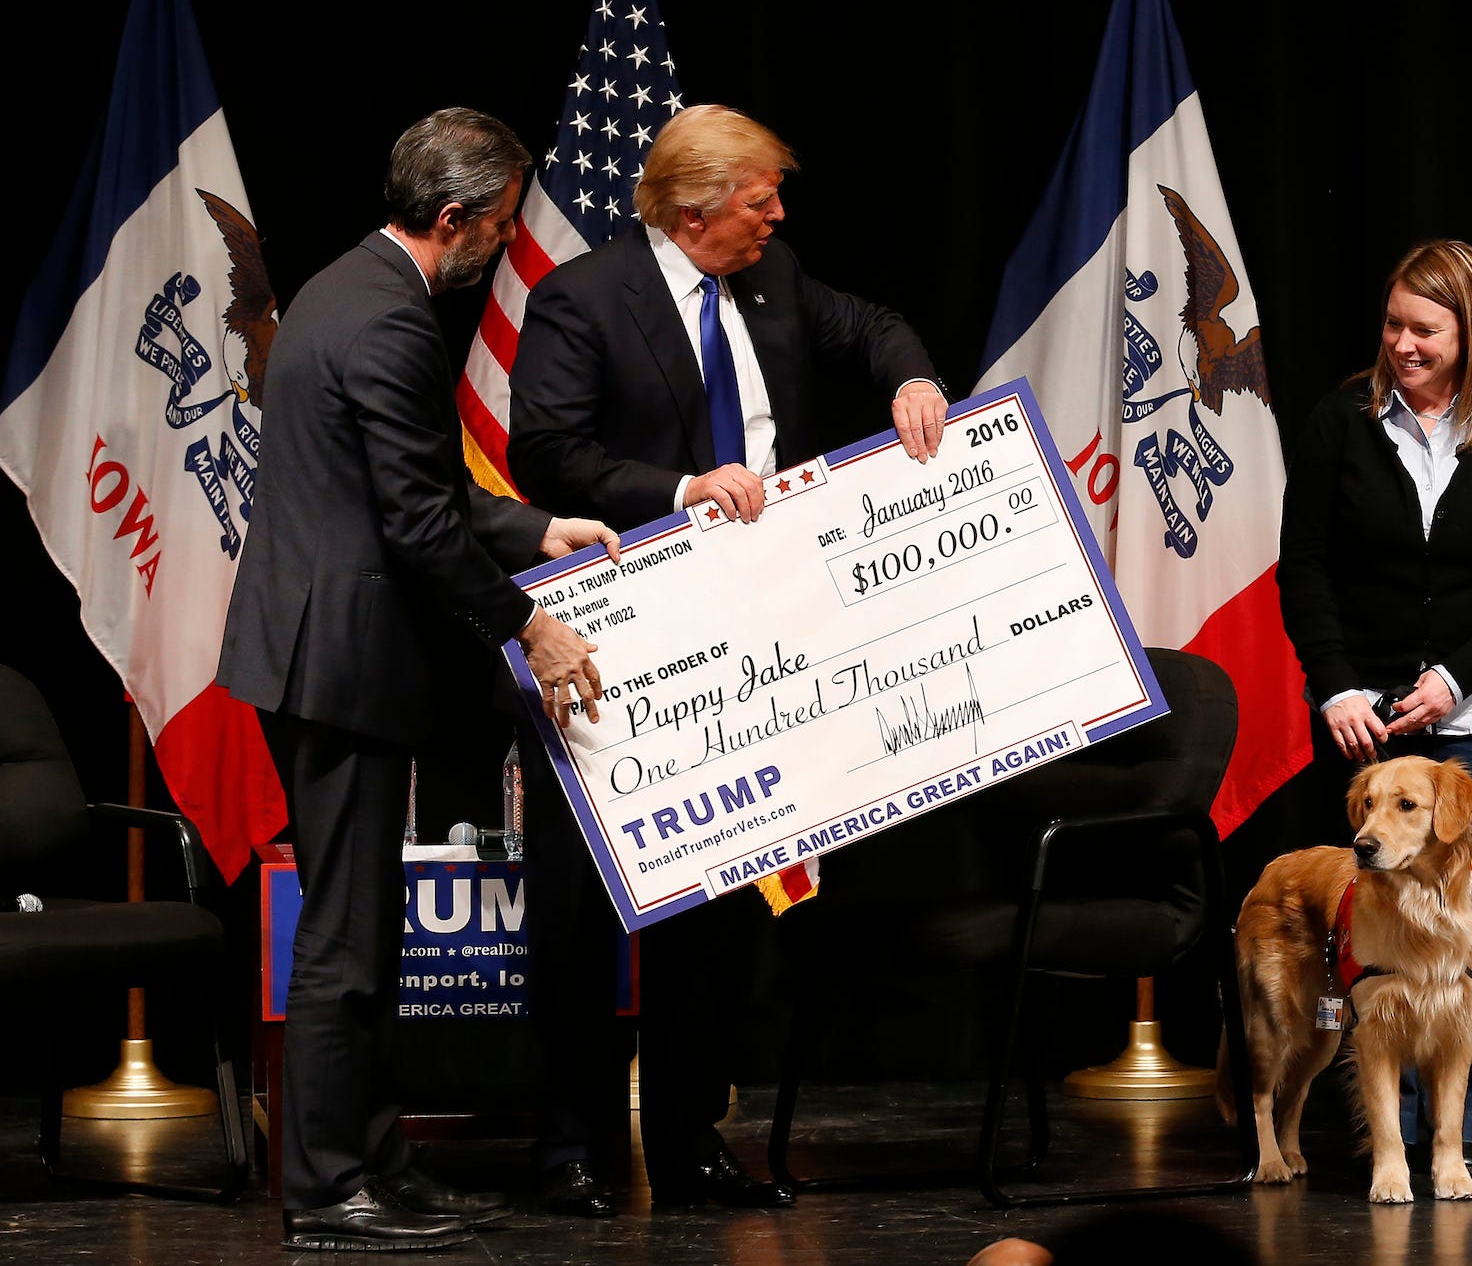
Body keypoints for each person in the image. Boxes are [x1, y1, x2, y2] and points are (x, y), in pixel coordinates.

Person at [507, 103, 948, 1213]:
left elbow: (874, 324)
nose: (778, 215)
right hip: (618, 642)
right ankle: (568, 1145)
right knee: (582, 904)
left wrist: (909, 379)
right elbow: (547, 453)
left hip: (758, 640)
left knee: (719, 896)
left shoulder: (776, 276)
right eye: (761, 199)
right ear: (697, 208)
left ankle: (692, 1138)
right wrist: (677, 493)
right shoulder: (581, 297)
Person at [218, 109, 620, 1251]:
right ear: (452, 218)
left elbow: (419, 487)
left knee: (373, 927)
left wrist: (537, 528)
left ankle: (376, 1157)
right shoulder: (390, 320)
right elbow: (417, 525)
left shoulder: (343, 287)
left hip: (316, 645)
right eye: (497, 224)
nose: (502, 242)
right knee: (344, 939)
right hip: (335, 658)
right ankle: (325, 1185)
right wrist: (531, 624)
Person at [1276, 239, 1472, 1174]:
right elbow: (1306, 567)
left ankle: (1463, 1132)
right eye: (1394, 325)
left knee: (1465, 932)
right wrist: (1335, 683)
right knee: (1370, 932)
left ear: (1470, 332)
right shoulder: (1340, 420)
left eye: (1425, 330)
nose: (1402, 344)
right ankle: (1381, 1132)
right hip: (1369, 722)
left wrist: (1457, 676)